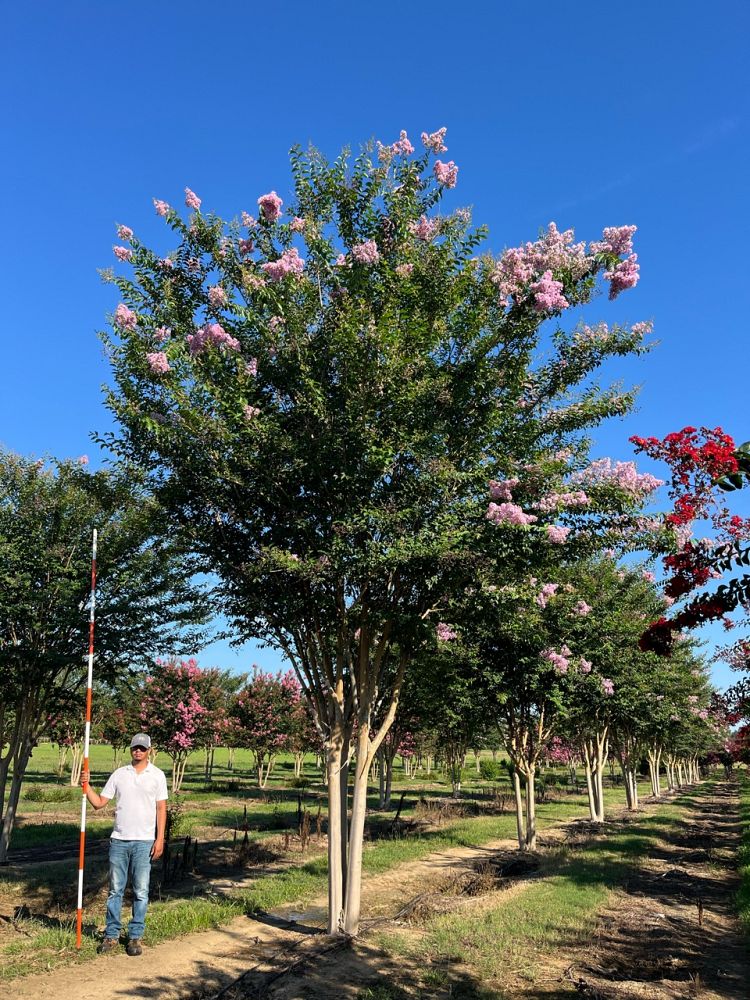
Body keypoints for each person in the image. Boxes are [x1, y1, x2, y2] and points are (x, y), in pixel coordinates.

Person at [82, 733, 168, 956]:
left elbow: (161, 808)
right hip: (119, 841)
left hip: (144, 841)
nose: (138, 751)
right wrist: (86, 785)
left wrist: (160, 839)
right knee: (115, 890)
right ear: (130, 750)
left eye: (142, 748)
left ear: (149, 750)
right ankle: (111, 935)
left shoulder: (157, 776)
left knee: (141, 891)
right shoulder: (120, 774)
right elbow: (99, 803)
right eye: (134, 748)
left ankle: (135, 936)